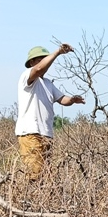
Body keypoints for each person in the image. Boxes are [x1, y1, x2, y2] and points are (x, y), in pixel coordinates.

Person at [15, 44, 85, 180]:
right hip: (30, 133)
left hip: (46, 134)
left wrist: (72, 99)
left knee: (44, 176)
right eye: (40, 59)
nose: (44, 62)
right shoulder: (26, 77)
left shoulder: (47, 83)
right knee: (34, 175)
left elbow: (62, 99)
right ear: (32, 62)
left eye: (45, 59)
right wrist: (58, 52)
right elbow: (39, 69)